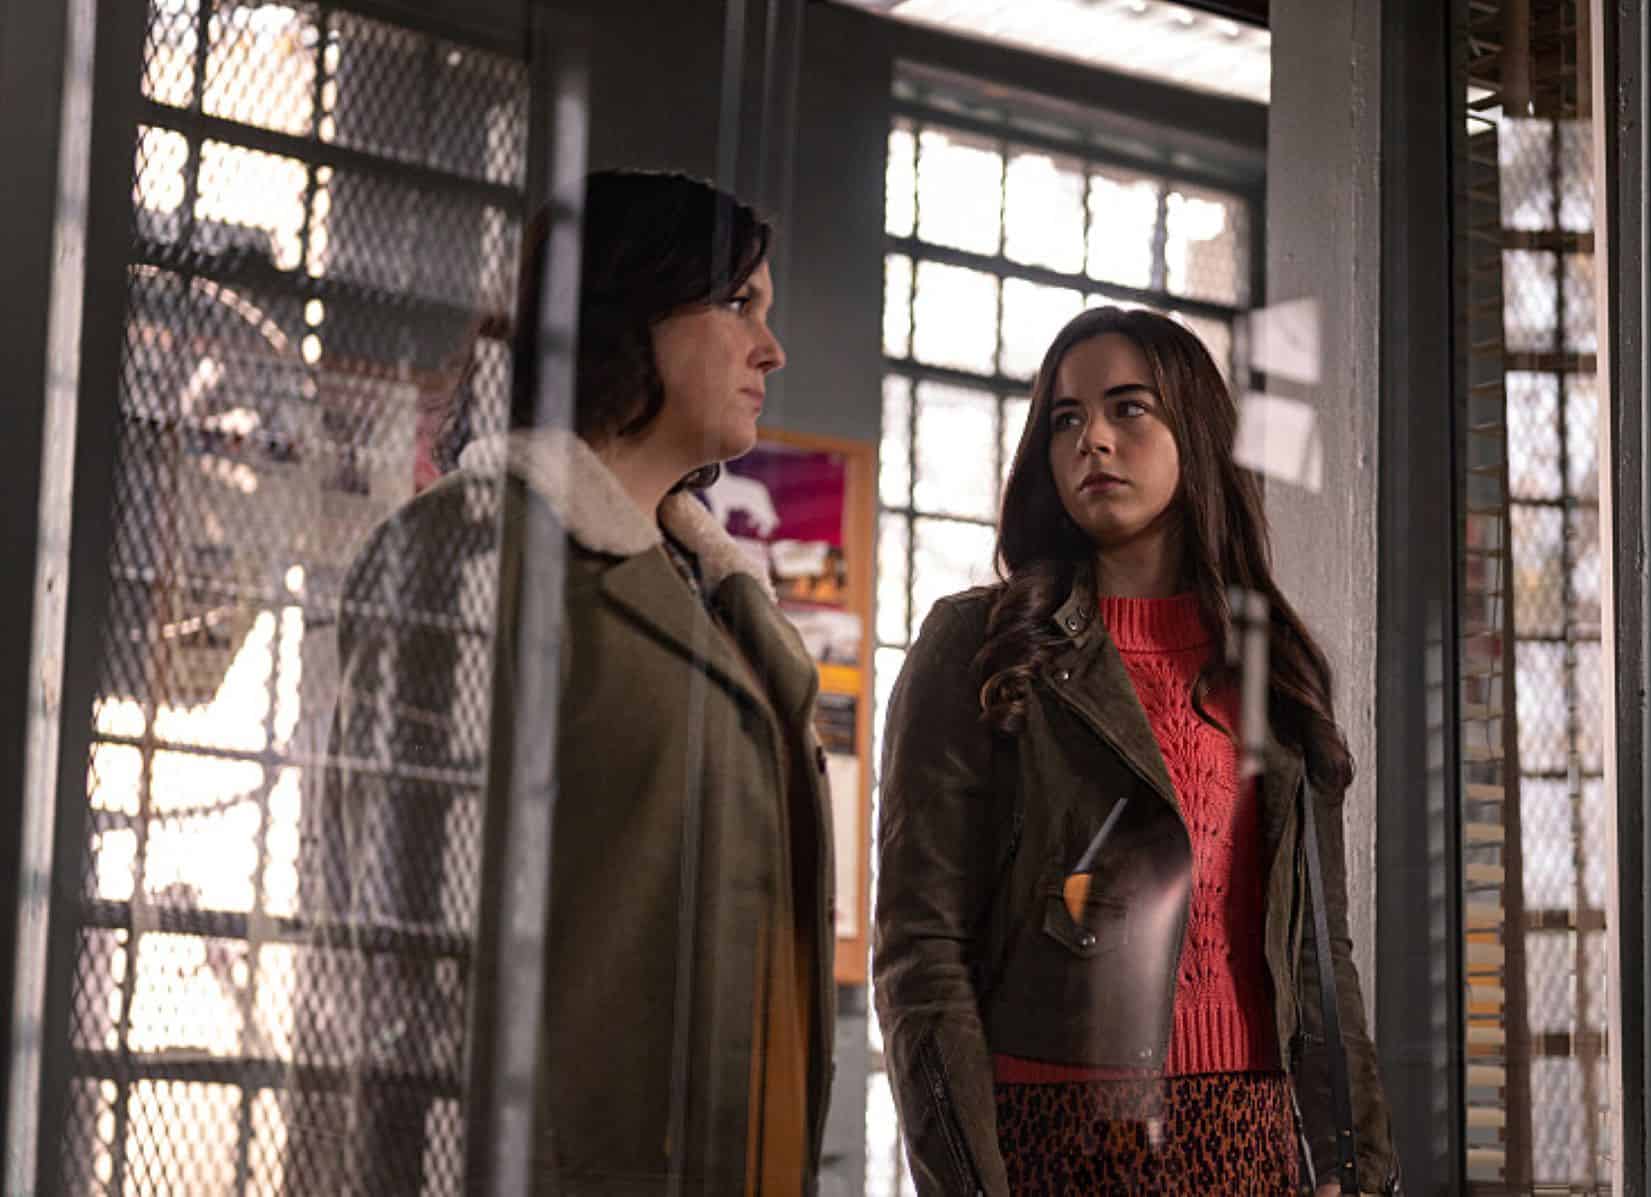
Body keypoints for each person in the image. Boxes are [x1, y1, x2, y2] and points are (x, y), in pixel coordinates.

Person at [316, 170, 835, 1195]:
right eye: (740, 306)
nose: (770, 350)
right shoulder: (473, 549)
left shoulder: (719, 597)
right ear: (627, 306)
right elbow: (399, 956)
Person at [873, 306, 1398, 1195]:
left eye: (1129, 410)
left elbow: (1321, 949)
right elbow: (922, 953)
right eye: (1066, 419)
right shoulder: (979, 646)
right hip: (1054, 1140)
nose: (1094, 441)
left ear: (1193, 429)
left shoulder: (1273, 664)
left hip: (1252, 1140)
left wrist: (1364, 1164)